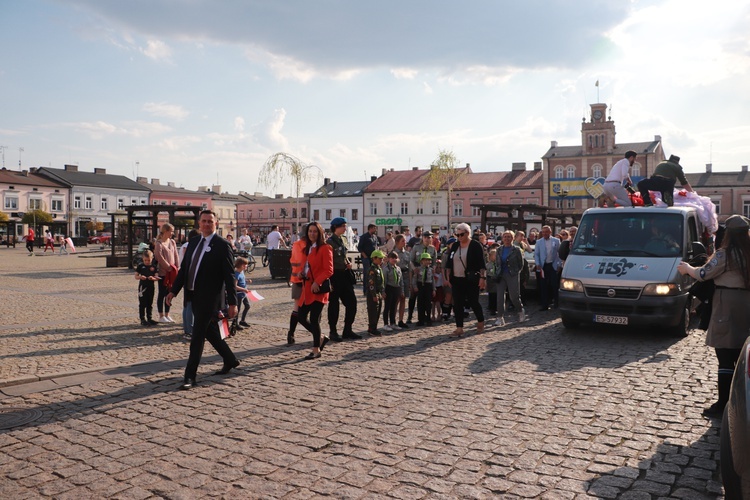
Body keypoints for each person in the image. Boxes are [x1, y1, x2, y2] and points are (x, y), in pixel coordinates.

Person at [677, 215, 750, 417]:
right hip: (747, 303)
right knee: (742, 356)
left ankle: (722, 405)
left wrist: (687, 269)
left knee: (725, 355)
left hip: (727, 302)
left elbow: (703, 274)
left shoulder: (724, 254)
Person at [166, 210, 240, 391]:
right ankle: (230, 359)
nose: (207, 224)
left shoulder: (222, 245)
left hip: (210, 298)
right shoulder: (193, 242)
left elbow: (229, 276)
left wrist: (233, 303)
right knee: (209, 331)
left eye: (210, 221)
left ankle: (190, 376)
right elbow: (184, 269)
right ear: (199, 223)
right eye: (204, 221)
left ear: (216, 224)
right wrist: (173, 291)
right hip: (192, 294)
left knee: (197, 336)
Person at [296, 221, 334, 360]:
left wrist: (317, 281)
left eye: (315, 231)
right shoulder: (307, 247)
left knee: (313, 318)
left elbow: (328, 270)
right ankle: (321, 338)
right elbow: (306, 265)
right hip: (307, 288)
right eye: (310, 231)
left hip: (319, 288)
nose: (312, 234)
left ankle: (316, 349)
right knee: (300, 316)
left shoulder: (325, 248)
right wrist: (301, 273)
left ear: (319, 233)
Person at [444, 223, 487, 337]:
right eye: (457, 235)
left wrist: (482, 278)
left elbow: (481, 263)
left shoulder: (475, 245)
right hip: (457, 279)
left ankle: (481, 321)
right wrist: (448, 275)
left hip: (471, 279)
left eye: (461, 234)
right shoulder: (455, 245)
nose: (459, 237)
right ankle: (459, 328)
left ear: (468, 233)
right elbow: (449, 261)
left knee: (473, 302)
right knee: (457, 304)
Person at [326, 217, 360, 341]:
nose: (345, 228)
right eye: (343, 226)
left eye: (345, 226)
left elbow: (343, 255)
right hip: (334, 275)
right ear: (336, 227)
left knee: (352, 302)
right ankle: (333, 331)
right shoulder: (329, 242)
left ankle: (347, 329)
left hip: (345, 274)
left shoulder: (344, 240)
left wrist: (348, 263)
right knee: (334, 304)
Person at [494, 231, 527, 326]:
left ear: (512, 238)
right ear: (502, 238)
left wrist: (516, 272)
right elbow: (497, 262)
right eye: (505, 237)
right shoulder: (499, 249)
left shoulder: (516, 249)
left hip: (512, 274)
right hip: (501, 274)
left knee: (514, 296)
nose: (507, 239)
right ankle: (500, 317)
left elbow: (521, 264)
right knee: (500, 297)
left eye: (509, 237)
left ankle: (520, 311)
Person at [409, 230, 437, 323]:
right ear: (422, 238)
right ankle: (410, 316)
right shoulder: (417, 247)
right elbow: (411, 260)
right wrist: (414, 269)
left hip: (428, 274)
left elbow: (434, 261)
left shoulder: (432, 249)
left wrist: (433, 268)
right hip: (417, 271)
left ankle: (427, 317)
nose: (427, 239)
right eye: (425, 237)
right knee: (414, 296)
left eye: (429, 237)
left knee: (427, 299)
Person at [154, 223, 180, 323]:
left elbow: (176, 255)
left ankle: (167, 314)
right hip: (163, 273)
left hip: (172, 272)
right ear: (165, 231)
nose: (172, 233)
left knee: (170, 293)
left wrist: (177, 267)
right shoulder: (159, 243)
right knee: (162, 294)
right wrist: (168, 267)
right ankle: (161, 315)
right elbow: (159, 257)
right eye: (171, 231)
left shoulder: (172, 242)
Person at [287, 231, 308, 346]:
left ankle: (291, 333)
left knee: (296, 308)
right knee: (314, 309)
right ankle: (316, 333)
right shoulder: (308, 246)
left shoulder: (296, 244)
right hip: (307, 280)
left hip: (296, 279)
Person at [534, 225, 563, 311]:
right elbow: (536, 254)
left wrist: (559, 265)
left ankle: (556, 303)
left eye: (546, 232)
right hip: (543, 266)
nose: (545, 233)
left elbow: (560, 254)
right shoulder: (539, 242)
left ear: (550, 232)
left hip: (553, 265)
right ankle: (544, 304)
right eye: (543, 232)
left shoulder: (556, 241)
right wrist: (537, 263)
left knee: (554, 285)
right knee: (543, 285)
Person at [178, 229, 199, 339]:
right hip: (189, 276)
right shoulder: (189, 245)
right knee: (189, 305)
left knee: (187, 304)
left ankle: (187, 328)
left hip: (185, 274)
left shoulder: (186, 245)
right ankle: (189, 329)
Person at [135, 250, 160, 326]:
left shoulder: (153, 267)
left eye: (149, 260)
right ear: (143, 259)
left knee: (150, 303)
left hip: (151, 286)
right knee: (142, 303)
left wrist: (153, 278)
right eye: (145, 260)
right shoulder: (140, 266)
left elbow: (157, 277)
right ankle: (142, 319)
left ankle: (149, 318)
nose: (147, 262)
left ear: (152, 259)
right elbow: (136, 276)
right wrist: (140, 277)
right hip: (143, 287)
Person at [366, 249, 386, 336]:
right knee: (373, 311)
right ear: (374, 258)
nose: (381, 260)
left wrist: (382, 291)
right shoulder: (372, 270)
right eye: (380, 258)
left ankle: (374, 327)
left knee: (377, 311)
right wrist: (374, 295)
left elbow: (381, 282)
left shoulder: (379, 268)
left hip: (379, 293)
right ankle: (371, 328)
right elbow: (371, 284)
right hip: (373, 294)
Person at [381, 251, 403, 332]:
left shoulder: (398, 268)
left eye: (395, 258)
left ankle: (393, 322)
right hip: (389, 288)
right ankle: (385, 324)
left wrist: (402, 290)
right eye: (392, 258)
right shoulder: (386, 269)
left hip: (396, 288)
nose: (394, 259)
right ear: (388, 259)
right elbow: (384, 281)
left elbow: (401, 281)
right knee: (387, 306)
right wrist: (383, 291)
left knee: (394, 307)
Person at [393, 234, 411, 329]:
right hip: (396, 276)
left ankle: (401, 320)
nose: (404, 243)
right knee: (396, 299)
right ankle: (393, 320)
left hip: (405, 276)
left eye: (405, 241)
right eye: (402, 241)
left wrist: (410, 281)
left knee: (403, 298)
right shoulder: (393, 253)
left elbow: (409, 268)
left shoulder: (407, 253)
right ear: (397, 243)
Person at [357, 224, 379, 295]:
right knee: (367, 274)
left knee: (373, 274)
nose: (375, 230)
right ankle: (366, 291)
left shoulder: (375, 237)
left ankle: (372, 290)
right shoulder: (364, 237)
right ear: (370, 229)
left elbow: (376, 246)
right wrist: (364, 256)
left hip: (374, 258)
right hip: (366, 258)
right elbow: (359, 247)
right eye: (374, 228)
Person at [233, 256, 252, 330]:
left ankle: (242, 320)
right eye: (245, 265)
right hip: (239, 294)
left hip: (244, 293)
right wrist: (243, 289)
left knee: (247, 306)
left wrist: (247, 281)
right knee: (238, 309)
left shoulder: (242, 272)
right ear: (241, 265)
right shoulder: (236, 274)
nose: (246, 266)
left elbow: (242, 279)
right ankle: (235, 324)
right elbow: (235, 286)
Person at [485, 248, 498, 316]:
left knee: (496, 295)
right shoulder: (488, 265)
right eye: (493, 255)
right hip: (490, 281)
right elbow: (486, 274)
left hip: (496, 280)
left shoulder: (498, 264)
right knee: (491, 295)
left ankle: (496, 308)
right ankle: (491, 308)